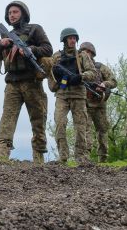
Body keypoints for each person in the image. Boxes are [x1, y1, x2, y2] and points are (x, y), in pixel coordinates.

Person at [0, 1, 52, 163]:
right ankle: (2, 153)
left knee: (38, 119)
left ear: (23, 14)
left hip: (32, 82)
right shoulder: (6, 35)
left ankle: (38, 158)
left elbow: (48, 49)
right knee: (7, 118)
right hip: (12, 83)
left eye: (15, 12)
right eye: (10, 13)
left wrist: (32, 50)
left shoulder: (35, 29)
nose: (12, 15)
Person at [50, 28, 97, 164]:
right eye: (70, 38)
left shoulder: (82, 55)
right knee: (60, 124)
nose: (72, 40)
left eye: (74, 38)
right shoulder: (57, 56)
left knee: (81, 127)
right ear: (64, 40)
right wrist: (56, 82)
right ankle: (62, 157)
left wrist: (81, 77)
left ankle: (81, 157)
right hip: (62, 95)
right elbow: (49, 73)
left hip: (78, 95)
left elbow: (93, 72)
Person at [79, 42, 117, 163]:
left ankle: (103, 157)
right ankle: (86, 158)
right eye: (83, 52)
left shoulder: (100, 67)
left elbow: (114, 81)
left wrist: (104, 84)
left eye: (88, 52)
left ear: (92, 53)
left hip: (100, 104)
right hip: (85, 104)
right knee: (86, 130)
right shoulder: (78, 67)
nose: (86, 54)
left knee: (102, 130)